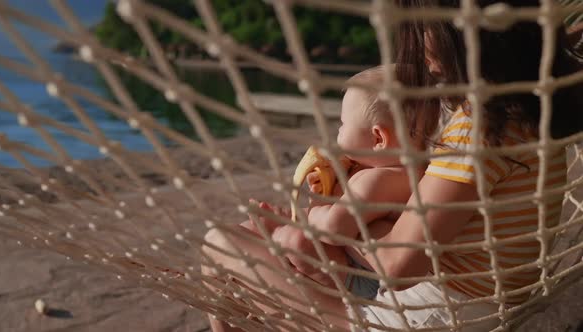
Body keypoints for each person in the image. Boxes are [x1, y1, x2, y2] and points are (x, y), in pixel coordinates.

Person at [201, 0, 583, 331]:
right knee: (258, 236)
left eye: (422, 28)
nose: (414, 43)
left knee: (221, 245)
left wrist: (338, 213)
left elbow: (398, 268)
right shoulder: (526, 106)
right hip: (470, 303)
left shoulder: (481, 126)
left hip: (432, 318)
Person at [245, 64, 440, 294]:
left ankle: (284, 230)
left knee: (294, 240)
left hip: (371, 285)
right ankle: (289, 220)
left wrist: (317, 202)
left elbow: (334, 228)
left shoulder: (379, 180)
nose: (338, 133)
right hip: (371, 266)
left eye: (343, 125)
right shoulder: (413, 171)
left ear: (378, 138)